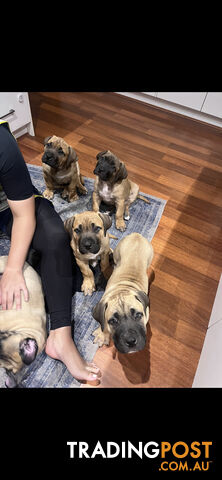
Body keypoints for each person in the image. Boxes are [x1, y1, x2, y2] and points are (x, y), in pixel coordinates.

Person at [0, 121, 101, 383]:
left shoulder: (2, 143)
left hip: (11, 208)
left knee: (57, 239)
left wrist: (13, 269)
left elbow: (23, 215)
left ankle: (61, 336)